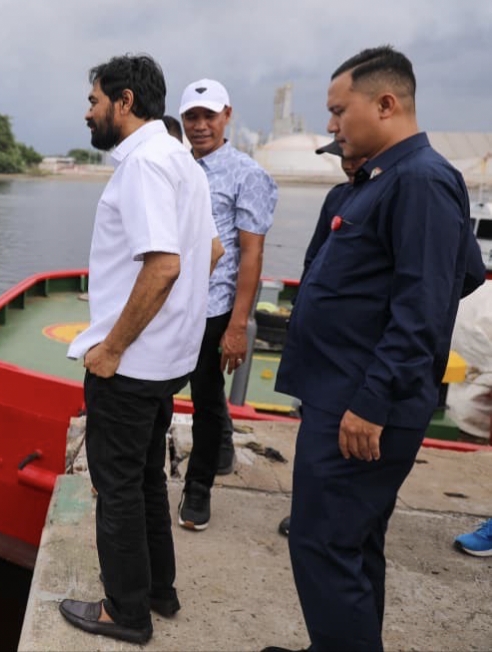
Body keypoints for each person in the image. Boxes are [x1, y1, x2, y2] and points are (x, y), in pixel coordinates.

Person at [263, 46, 486, 652]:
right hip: (342, 393)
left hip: (360, 405)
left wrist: (373, 400)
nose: (332, 125)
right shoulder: (385, 180)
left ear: (385, 104)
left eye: (339, 111)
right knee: (352, 545)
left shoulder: (420, 180)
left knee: (323, 544)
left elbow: (424, 308)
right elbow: (459, 272)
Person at [58, 53, 218, 644]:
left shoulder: (146, 165)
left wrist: (111, 348)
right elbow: (210, 253)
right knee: (147, 477)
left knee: (117, 486)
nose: (88, 113)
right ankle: (158, 591)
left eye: (95, 101)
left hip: (131, 364)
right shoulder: (182, 161)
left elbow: (164, 266)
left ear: (125, 102)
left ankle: (125, 612)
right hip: (168, 360)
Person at [177, 78, 279, 531]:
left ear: (227, 117)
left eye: (208, 116)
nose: (200, 126)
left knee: (204, 397)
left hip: (214, 306)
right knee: (184, 391)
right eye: (191, 117)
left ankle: (198, 490)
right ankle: (220, 449)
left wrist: (239, 325)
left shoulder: (246, 173)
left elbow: (252, 253)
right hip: (171, 301)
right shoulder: (178, 165)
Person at [277, 139, 367, 538]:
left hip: (356, 356)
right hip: (321, 351)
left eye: (354, 155)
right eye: (342, 157)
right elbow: (315, 259)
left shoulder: (403, 193)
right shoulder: (339, 197)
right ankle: (309, 511)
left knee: (349, 450)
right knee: (314, 440)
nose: (347, 164)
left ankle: (334, 522)